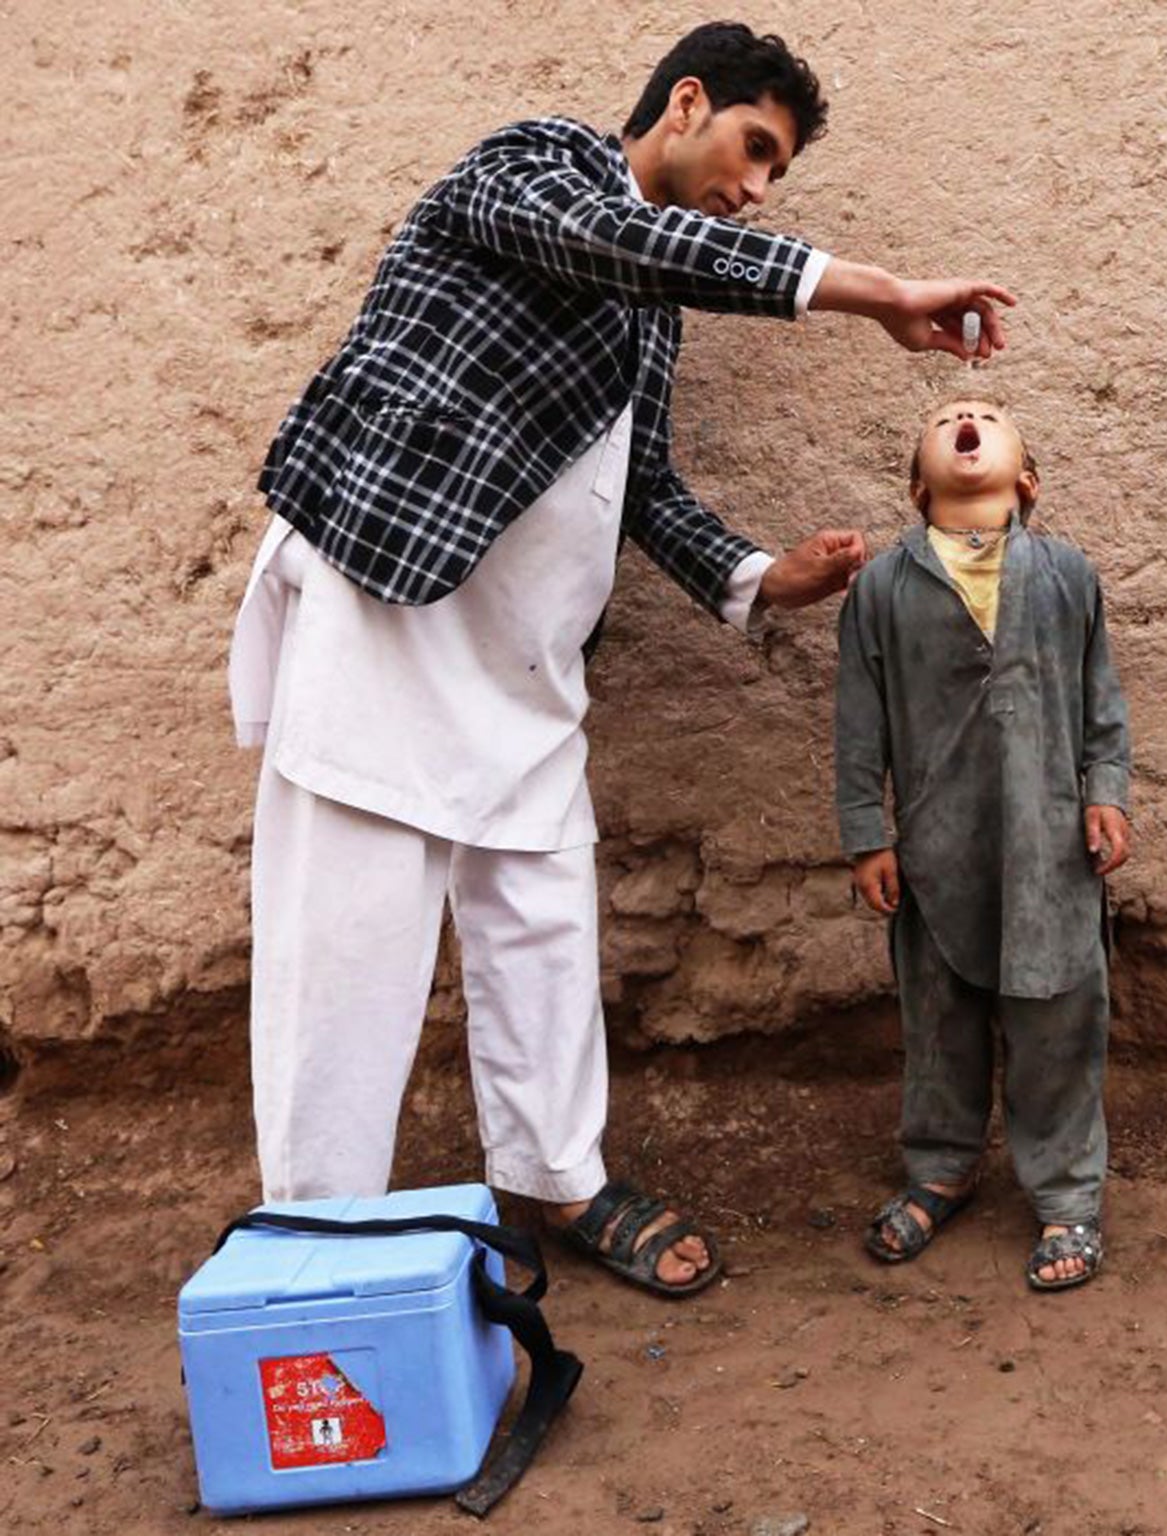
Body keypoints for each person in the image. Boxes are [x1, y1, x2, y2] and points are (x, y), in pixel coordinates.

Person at [227, 21, 1016, 1298]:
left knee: (540, 920)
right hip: (386, 609)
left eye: (776, 177)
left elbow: (635, 481)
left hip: (522, 667)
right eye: (753, 151)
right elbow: (629, 244)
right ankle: (323, 1239)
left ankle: (555, 1177)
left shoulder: (654, 320)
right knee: (349, 936)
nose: (755, 191)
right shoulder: (529, 167)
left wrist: (759, 576)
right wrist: (870, 291)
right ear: (685, 101)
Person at [835, 398, 1132, 1291]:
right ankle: (941, 1168)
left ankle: (1068, 1197)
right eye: (948, 416)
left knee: (1057, 1024)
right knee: (939, 1021)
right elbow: (858, 726)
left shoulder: (1067, 574)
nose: (968, 415)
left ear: (1026, 481)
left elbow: (1101, 704)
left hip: (1050, 847)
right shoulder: (883, 588)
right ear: (920, 486)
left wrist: (1106, 795)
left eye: (989, 414)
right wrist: (866, 836)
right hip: (936, 849)